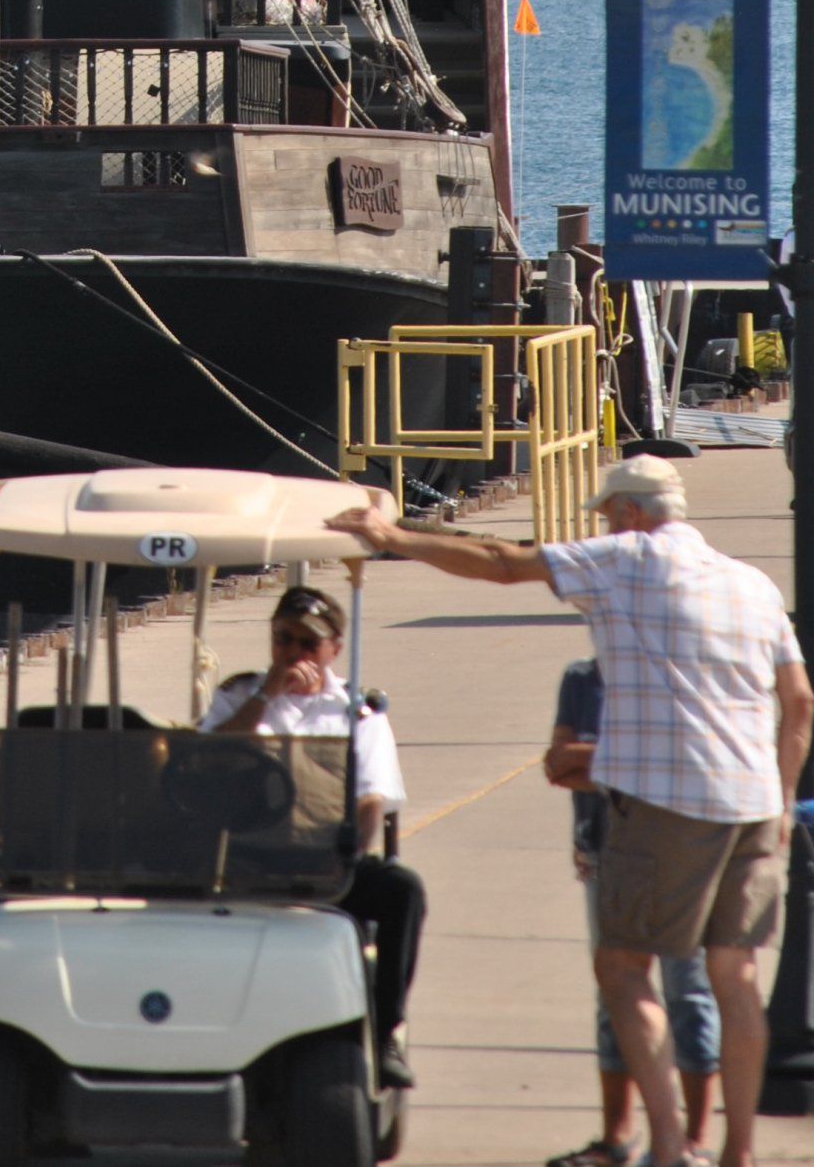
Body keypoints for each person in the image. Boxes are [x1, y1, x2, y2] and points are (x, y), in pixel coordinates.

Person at [333, 453, 813, 1167]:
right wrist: (778, 801)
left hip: (663, 804)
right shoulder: (752, 584)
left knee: (623, 969)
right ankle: (737, 1154)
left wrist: (392, 536)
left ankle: (673, 1149)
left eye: (607, 515)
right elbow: (800, 703)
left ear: (628, 514)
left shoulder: (624, 559)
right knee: (735, 977)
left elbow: (500, 561)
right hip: (752, 807)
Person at [199, 580, 425, 1086]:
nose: (294, 653)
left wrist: (346, 856)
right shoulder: (240, 697)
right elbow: (203, 759)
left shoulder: (357, 715)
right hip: (241, 858)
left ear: (334, 650)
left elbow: (371, 797)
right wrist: (266, 697)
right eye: (284, 640)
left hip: (323, 860)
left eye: (308, 644)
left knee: (402, 891)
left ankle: (387, 1032)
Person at [544, 654, 719, 1167]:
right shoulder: (580, 678)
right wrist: (622, 764)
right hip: (602, 850)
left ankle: (696, 1139)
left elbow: (681, 760)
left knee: (688, 990)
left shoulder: (677, 670)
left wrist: (593, 760)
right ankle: (617, 1137)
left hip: (678, 853)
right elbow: (557, 764)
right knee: (613, 995)